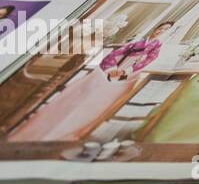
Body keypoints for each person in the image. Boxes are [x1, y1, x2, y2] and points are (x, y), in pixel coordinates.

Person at [10, 21, 175, 143]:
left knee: (97, 103)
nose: (161, 31)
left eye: (166, 30)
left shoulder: (155, 47)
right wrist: (110, 69)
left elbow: (146, 61)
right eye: (161, 27)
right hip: (108, 70)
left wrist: (126, 71)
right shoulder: (137, 41)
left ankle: (65, 134)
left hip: (127, 74)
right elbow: (113, 54)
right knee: (75, 97)